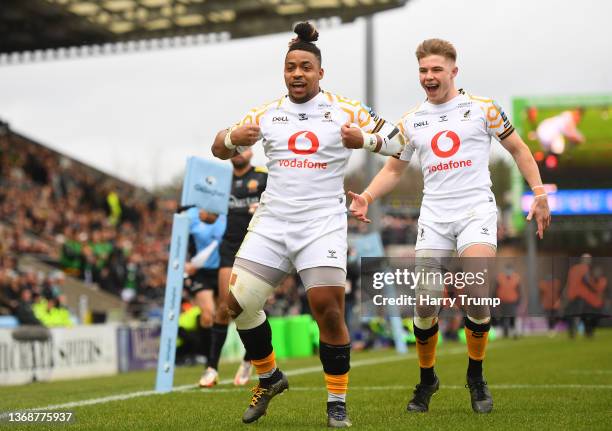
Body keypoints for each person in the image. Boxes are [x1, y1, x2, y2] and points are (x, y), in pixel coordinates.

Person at [210, 22, 400, 428]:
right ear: (285, 72)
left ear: (320, 73)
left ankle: (336, 403)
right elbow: (218, 147)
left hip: (321, 225)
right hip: (273, 221)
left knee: (328, 312)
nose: (297, 74)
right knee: (237, 305)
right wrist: (230, 137)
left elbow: (401, 142)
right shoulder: (266, 113)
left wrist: (364, 141)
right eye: (291, 67)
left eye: (305, 67)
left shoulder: (346, 109)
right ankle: (269, 376)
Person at [349, 38, 551, 414]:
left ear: (453, 72)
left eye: (436, 70)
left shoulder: (483, 109)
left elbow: (520, 150)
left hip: (476, 211)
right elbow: (394, 168)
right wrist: (366, 197)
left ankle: (476, 375)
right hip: (435, 217)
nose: (429, 76)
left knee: (476, 291)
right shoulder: (411, 121)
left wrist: (538, 192)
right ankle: (427, 379)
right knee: (425, 305)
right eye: (423, 70)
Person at [199, 148, 268, 387]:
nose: (239, 153)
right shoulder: (220, 181)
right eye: (235, 149)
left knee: (252, 306)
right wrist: (205, 213)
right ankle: (211, 368)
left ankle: (250, 360)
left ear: (251, 152)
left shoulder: (263, 176)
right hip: (230, 247)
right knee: (224, 306)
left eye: (244, 148)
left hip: (259, 246)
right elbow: (208, 216)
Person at [183, 206, 227, 387]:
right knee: (207, 314)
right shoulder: (190, 214)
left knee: (221, 315)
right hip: (201, 272)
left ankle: (213, 361)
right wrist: (185, 262)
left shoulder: (225, 211)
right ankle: (209, 363)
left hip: (224, 269)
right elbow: (179, 240)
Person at [495, 264, 521, 338]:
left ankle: (513, 331)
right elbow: (495, 290)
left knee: (512, 317)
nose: (508, 272)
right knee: (503, 317)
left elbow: (519, 291)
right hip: (502, 301)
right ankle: (505, 332)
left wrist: (519, 301)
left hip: (512, 301)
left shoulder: (516, 278)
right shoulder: (500, 278)